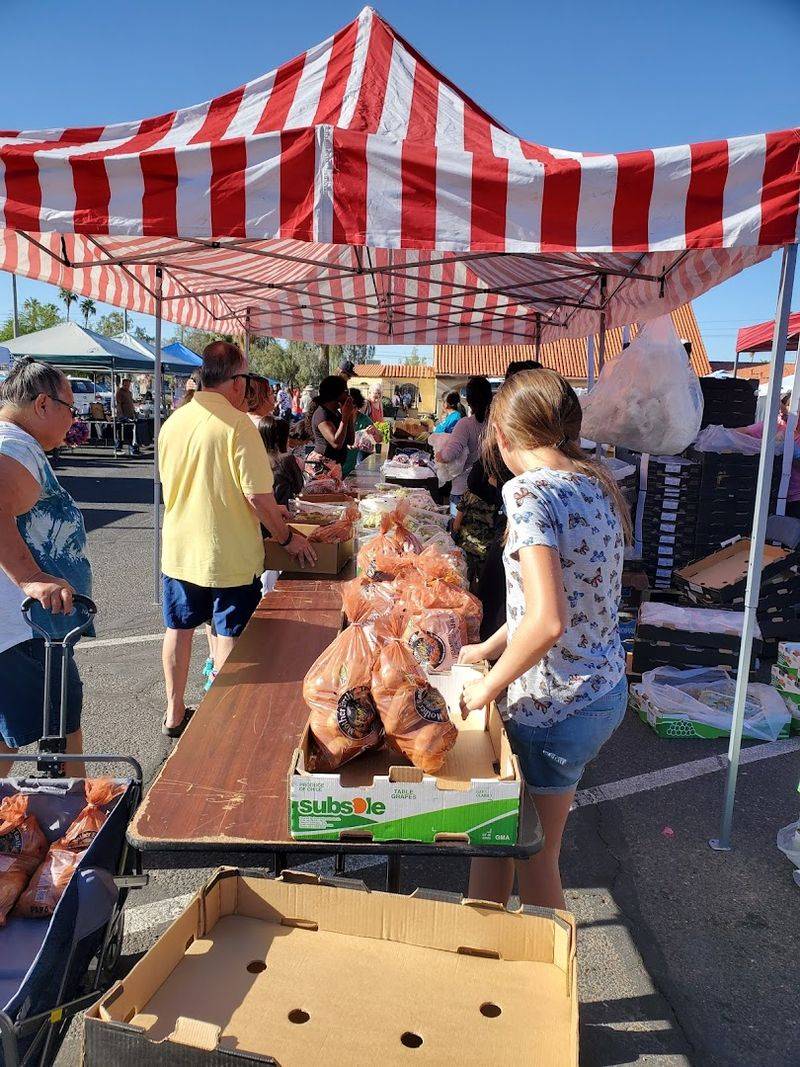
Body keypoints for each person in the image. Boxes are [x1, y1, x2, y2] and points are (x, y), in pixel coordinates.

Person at [458, 369, 629, 909]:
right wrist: (488, 649)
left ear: (503, 438)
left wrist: (485, 690)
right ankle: (482, 949)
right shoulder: (594, 483)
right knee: (497, 843)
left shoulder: (528, 492)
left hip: (554, 706)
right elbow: (554, 601)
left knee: (533, 858)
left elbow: (548, 621)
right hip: (599, 692)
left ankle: (545, 983)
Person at [158, 342, 316, 737]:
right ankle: (223, 721)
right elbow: (255, 496)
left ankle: (173, 714)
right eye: (245, 378)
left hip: (180, 548)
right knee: (229, 636)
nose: (247, 387)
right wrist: (286, 535)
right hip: (226, 553)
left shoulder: (173, 421)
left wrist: (265, 511)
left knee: (178, 629)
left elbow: (191, 484)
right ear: (233, 381)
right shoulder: (237, 424)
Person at [0, 359, 92, 777]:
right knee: (54, 725)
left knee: (47, 725)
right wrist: (30, 576)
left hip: (29, 627)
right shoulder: (16, 446)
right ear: (42, 404)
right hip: (23, 630)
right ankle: (80, 822)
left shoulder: (15, 442)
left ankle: (77, 816)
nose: (73, 419)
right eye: (70, 408)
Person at [435, 375, 493, 516]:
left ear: (468, 400)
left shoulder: (466, 424)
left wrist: (439, 456)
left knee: (457, 534)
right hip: (489, 491)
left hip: (463, 490)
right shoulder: (496, 423)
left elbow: (450, 454)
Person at [742, 392, 800, 517]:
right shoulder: (774, 425)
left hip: (796, 498)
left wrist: (793, 453)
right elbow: (745, 432)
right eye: (789, 406)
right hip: (771, 495)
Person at [451, 459, 505, 586]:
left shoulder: (468, 495)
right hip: (486, 548)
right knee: (482, 576)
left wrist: (455, 530)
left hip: (466, 543)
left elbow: (456, 523)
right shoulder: (499, 502)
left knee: (464, 572)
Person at [258, 415, 305, 506]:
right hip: (282, 509)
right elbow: (298, 487)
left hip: (260, 510)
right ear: (283, 437)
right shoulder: (286, 459)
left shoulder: (255, 457)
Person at [311, 375, 356, 468]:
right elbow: (336, 443)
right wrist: (345, 418)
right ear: (336, 394)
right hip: (322, 468)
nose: (348, 396)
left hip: (334, 468)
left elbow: (350, 441)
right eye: (346, 392)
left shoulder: (337, 414)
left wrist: (349, 416)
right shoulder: (322, 414)